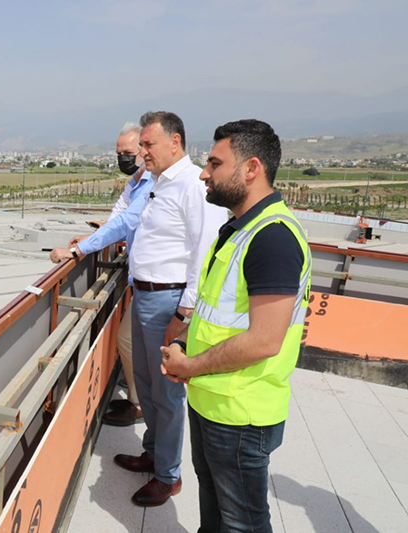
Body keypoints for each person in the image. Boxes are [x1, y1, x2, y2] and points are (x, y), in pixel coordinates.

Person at [160, 119, 311, 532]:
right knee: (215, 510)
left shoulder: (272, 238)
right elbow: (214, 311)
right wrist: (184, 344)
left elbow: (264, 340)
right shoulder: (237, 230)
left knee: (242, 521)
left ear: (251, 168)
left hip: (241, 414)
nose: (204, 174)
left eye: (214, 163)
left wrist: (190, 366)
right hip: (211, 401)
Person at [113, 111, 228, 507]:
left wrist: (183, 313)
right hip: (145, 295)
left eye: (148, 144)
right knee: (146, 384)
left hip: (169, 300)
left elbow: (204, 251)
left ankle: (168, 475)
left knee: (166, 392)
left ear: (175, 142)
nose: (142, 152)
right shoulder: (160, 183)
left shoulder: (192, 185)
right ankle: (153, 453)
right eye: (142, 145)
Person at [50, 121, 153, 426]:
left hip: (158, 282)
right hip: (144, 277)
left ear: (144, 150)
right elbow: (117, 217)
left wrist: (77, 251)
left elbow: (126, 222)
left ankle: (140, 403)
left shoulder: (151, 183)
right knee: (135, 341)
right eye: (119, 153)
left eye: (128, 152)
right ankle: (141, 394)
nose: (123, 158)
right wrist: (93, 237)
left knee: (131, 341)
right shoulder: (135, 182)